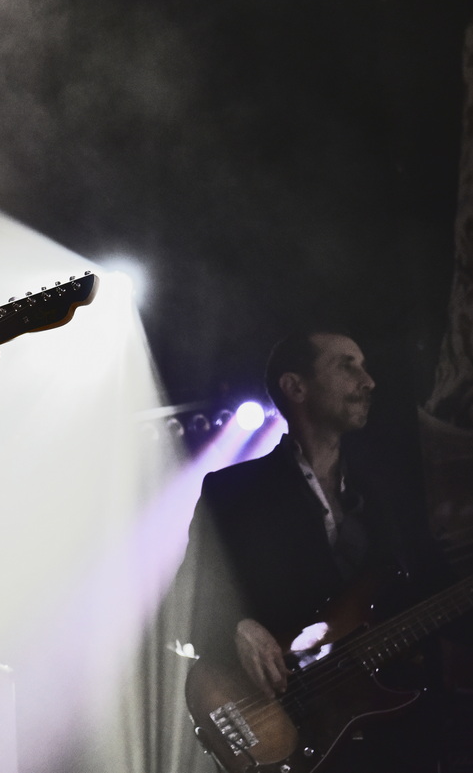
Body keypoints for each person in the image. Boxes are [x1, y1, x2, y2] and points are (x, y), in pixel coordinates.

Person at [183, 330, 467, 772]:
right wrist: (237, 628)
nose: (368, 381)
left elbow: (436, 585)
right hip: (295, 724)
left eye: (364, 366)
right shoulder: (233, 491)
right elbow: (184, 604)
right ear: (296, 387)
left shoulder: (390, 489)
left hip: (402, 735)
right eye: (347, 366)